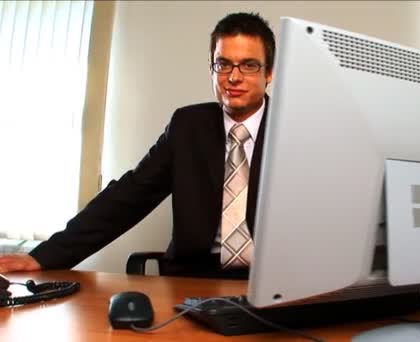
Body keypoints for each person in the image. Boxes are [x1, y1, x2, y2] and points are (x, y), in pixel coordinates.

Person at [0, 12, 274, 278]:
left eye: (249, 65)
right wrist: (44, 256)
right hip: (192, 279)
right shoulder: (187, 126)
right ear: (211, 69)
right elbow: (129, 196)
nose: (233, 77)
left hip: (268, 280)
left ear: (269, 73)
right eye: (223, 64)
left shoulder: (293, 131)